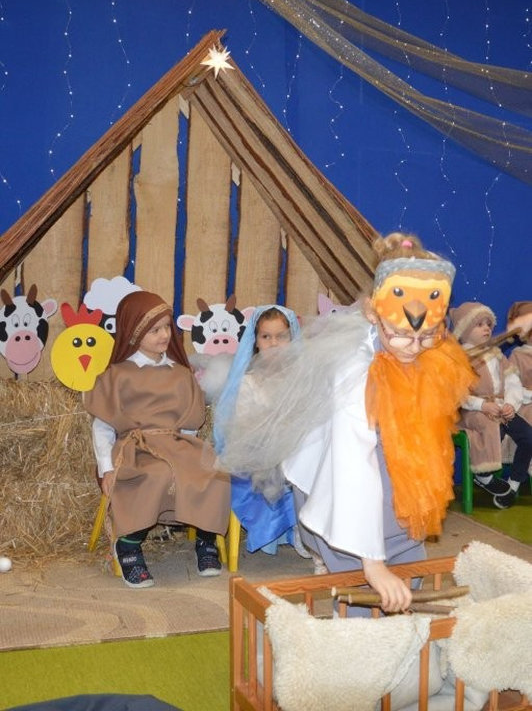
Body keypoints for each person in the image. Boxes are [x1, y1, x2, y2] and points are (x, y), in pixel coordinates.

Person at [218, 233, 475, 612]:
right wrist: (372, 564)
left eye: (426, 336)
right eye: (401, 334)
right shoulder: (356, 375)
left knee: (409, 583)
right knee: (364, 596)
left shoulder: (427, 354)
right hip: (339, 485)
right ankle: (355, 622)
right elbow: (353, 465)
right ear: (373, 314)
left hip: (394, 479)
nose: (413, 346)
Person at [83, 291, 230, 588]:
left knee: (212, 472)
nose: (164, 335)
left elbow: (189, 426)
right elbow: (103, 428)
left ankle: (206, 540)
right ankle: (128, 544)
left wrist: (190, 455)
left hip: (175, 443)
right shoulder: (117, 375)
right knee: (156, 474)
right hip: (135, 448)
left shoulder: (181, 374)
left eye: (167, 327)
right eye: (154, 330)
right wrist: (106, 469)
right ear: (133, 333)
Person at [214, 305, 312, 560]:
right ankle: (297, 526)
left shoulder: (302, 379)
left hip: (294, 447)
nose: (274, 343)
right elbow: (243, 425)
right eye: (266, 337)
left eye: (281, 336)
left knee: (312, 457)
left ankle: (308, 526)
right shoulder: (248, 381)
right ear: (256, 342)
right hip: (257, 451)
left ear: (293, 338)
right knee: (279, 464)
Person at [449, 301, 532, 509]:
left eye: (488, 324)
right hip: (472, 410)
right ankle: (484, 475)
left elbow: (512, 380)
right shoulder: (459, 359)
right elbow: (457, 393)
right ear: (464, 329)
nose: (486, 328)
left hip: (501, 407)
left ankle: (514, 483)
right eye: (479, 324)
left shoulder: (496, 354)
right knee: (491, 426)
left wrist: (510, 404)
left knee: (527, 436)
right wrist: (482, 405)